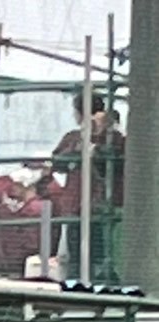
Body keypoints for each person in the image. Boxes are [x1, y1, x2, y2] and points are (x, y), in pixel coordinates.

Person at [50, 89, 125, 281]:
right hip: (78, 207)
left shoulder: (114, 139)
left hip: (101, 207)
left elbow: (115, 164)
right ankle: (80, 287)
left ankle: (96, 287)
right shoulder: (73, 138)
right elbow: (57, 162)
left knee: (102, 256)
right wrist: (78, 151)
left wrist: (96, 141)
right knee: (77, 257)